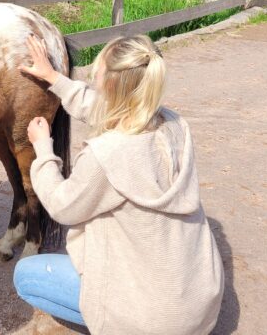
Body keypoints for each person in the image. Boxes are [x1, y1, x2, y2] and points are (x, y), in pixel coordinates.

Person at [15, 34, 224, 335]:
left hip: (154, 322)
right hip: (198, 303)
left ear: (110, 86)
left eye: (96, 74)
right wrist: (54, 78)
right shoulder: (174, 125)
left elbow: (62, 205)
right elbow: (106, 108)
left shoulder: (107, 155)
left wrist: (44, 151)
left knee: (26, 275)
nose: (91, 79)